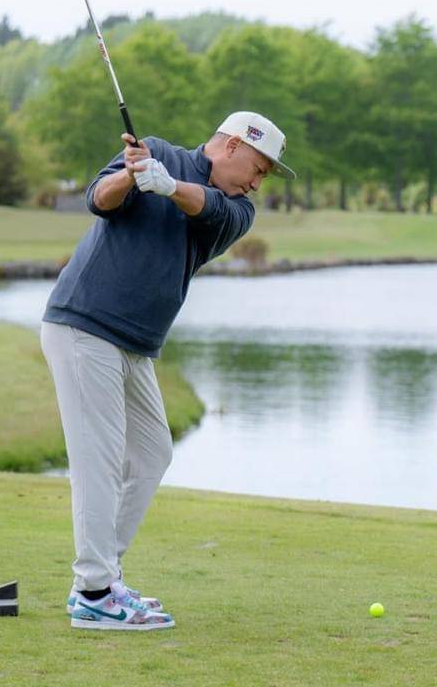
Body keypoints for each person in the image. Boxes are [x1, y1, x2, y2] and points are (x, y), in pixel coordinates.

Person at [41, 110, 294, 631]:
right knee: (101, 459)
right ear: (230, 147)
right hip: (85, 325)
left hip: (134, 344)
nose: (258, 181)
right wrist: (131, 176)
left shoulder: (238, 211)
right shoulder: (153, 148)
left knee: (152, 452)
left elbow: (205, 206)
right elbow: (98, 201)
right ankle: (94, 590)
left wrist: (167, 183)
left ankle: (102, 578)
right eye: (259, 167)